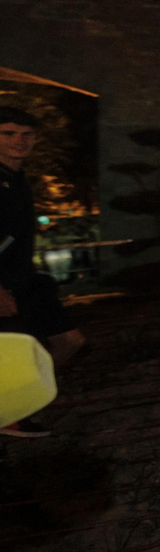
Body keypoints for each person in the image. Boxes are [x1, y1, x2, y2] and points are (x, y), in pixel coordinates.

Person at [0, 107, 86, 438]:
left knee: (69, 341)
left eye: (26, 134)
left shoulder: (17, 179)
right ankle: (11, 415)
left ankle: (18, 405)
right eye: (8, 133)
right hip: (4, 287)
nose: (19, 141)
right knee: (15, 354)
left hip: (25, 281)